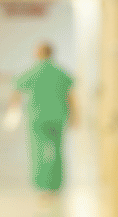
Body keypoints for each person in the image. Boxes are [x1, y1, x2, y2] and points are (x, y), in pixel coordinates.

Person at [9, 42, 77, 192]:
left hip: (37, 118)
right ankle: (56, 184)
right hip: (58, 117)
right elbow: (71, 96)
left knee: (38, 151)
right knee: (57, 150)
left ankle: (41, 185)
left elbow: (16, 91)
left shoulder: (32, 72)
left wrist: (12, 114)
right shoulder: (61, 72)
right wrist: (75, 117)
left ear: (38, 53)